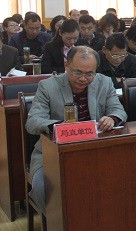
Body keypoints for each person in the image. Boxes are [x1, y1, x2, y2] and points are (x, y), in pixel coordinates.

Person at [27, 46, 126, 211]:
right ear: (66, 65)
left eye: (89, 74)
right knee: (43, 188)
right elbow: (32, 122)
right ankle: (56, 224)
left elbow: (118, 110)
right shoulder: (47, 86)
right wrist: (57, 126)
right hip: (54, 153)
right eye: (78, 72)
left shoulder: (104, 82)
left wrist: (112, 118)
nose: (83, 79)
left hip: (95, 150)